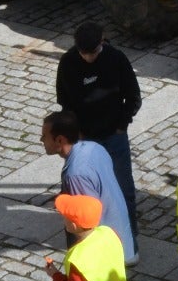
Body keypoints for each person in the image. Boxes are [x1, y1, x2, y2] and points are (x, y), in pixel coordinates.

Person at [56, 21, 141, 246]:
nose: (88, 58)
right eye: (83, 53)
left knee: (124, 189)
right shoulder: (68, 63)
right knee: (84, 194)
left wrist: (122, 125)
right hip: (84, 139)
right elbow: (64, 102)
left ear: (102, 41)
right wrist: (78, 134)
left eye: (92, 52)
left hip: (114, 136)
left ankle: (130, 239)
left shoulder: (116, 59)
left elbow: (133, 96)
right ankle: (89, 239)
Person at [42, 111, 136, 265]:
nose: (41, 140)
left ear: (59, 140)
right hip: (120, 235)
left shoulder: (76, 174)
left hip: (106, 253)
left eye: (44, 136)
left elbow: (86, 222)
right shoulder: (94, 148)